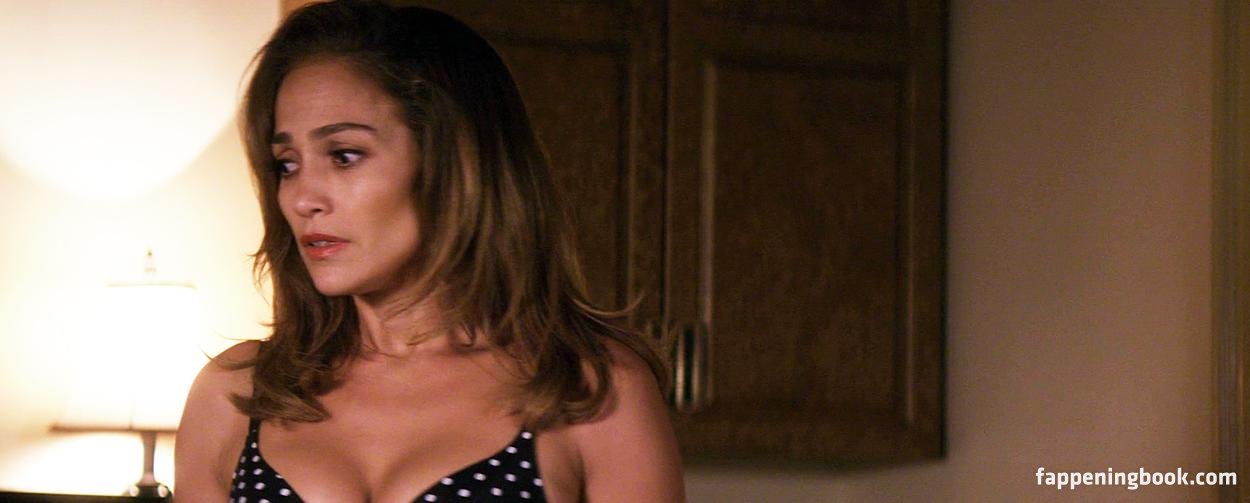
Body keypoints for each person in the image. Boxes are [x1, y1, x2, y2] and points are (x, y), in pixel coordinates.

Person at [173, 1, 685, 501]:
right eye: (287, 164)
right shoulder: (239, 394)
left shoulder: (589, 389)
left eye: (344, 155)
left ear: (453, 163)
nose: (303, 198)